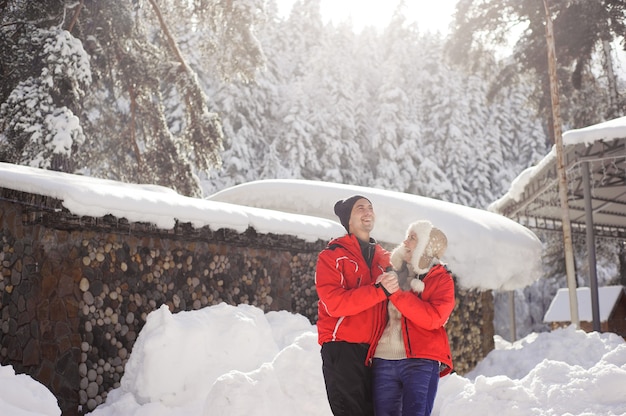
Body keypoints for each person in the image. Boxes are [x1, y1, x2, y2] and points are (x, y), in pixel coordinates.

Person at [316, 195, 400, 416]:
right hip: (343, 348)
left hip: (376, 353)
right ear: (348, 220)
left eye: (370, 207)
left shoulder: (385, 260)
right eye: (360, 208)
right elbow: (334, 303)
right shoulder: (332, 256)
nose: (367, 211)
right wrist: (378, 290)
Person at [368, 220, 455, 416]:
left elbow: (434, 318)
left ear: (427, 246)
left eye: (413, 238)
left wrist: (397, 294)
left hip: (420, 360)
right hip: (382, 358)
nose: (405, 242)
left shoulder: (440, 278)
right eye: (406, 237)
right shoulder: (389, 274)